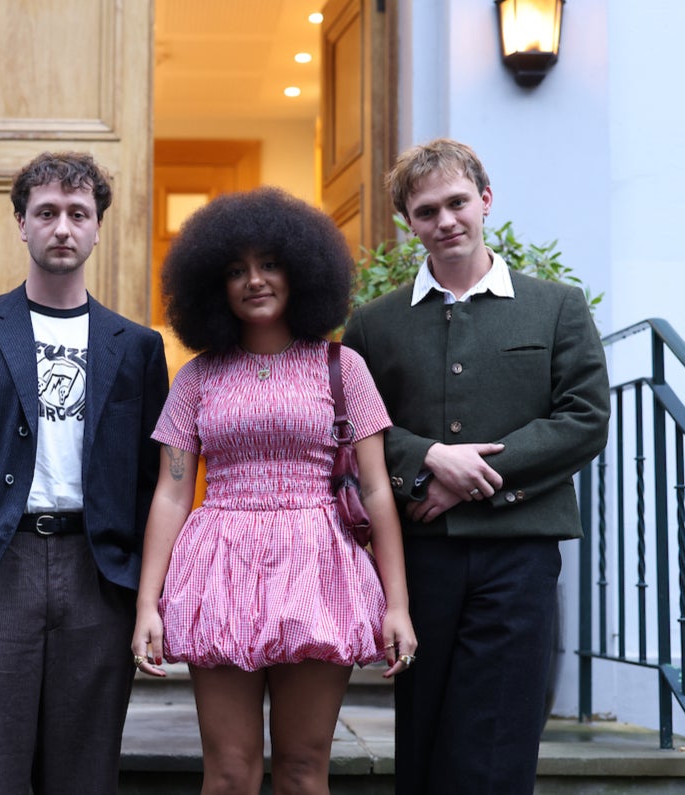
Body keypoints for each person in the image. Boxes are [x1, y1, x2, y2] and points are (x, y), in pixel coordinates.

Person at [342, 138, 610, 794]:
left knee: (498, 739)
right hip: (419, 558)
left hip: (518, 553)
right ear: (410, 223)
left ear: (485, 201)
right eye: (427, 211)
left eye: (458, 202)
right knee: (425, 737)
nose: (446, 221)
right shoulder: (374, 326)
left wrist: (473, 481)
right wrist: (428, 458)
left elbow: (583, 419)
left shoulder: (558, 305)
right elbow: (349, 428)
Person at [132, 186, 417, 794]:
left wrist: (397, 605)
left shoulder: (343, 368)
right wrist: (147, 606)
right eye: (235, 270)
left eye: (269, 264)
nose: (253, 281)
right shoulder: (197, 377)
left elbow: (375, 490)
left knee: (302, 769)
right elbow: (171, 494)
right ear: (213, 285)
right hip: (219, 567)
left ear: (301, 270)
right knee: (230, 773)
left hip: (319, 566)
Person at [0, 151, 169, 794]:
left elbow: (151, 476)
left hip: (97, 571)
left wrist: (139, 579)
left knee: (83, 775)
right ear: (20, 225)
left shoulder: (137, 346)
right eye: (47, 212)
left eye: (78, 213)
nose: (62, 227)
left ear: (98, 228)